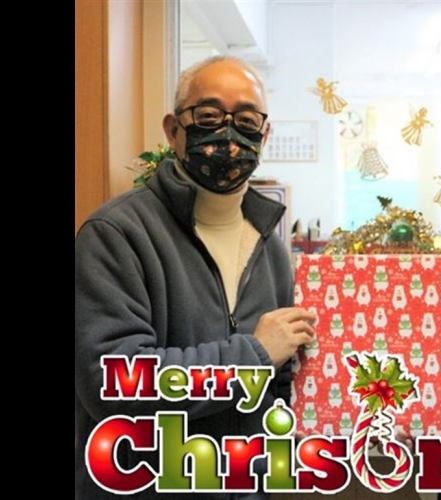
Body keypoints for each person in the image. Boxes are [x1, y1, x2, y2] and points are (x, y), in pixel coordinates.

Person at [75, 55, 317, 499]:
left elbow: (279, 387)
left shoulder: (272, 250)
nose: (228, 134)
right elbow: (113, 382)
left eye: (246, 121)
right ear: (173, 130)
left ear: (264, 135)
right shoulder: (117, 234)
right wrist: (253, 355)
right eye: (208, 116)